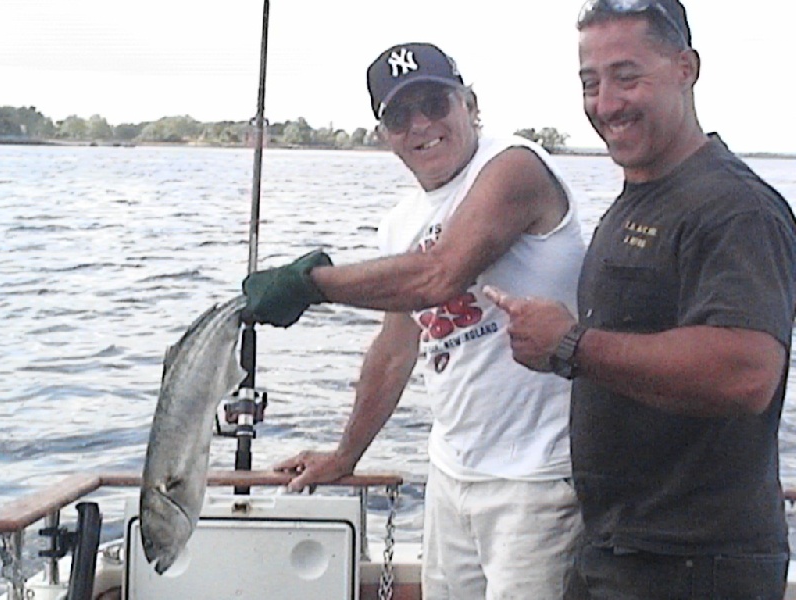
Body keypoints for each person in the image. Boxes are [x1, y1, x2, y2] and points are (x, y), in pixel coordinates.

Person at [242, 42, 587, 598]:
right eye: (400, 115)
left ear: (470, 104)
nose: (421, 124)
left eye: (435, 103)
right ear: (383, 135)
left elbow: (440, 276)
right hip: (452, 475)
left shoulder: (516, 165)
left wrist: (311, 283)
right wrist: (344, 456)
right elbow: (395, 349)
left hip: (539, 480)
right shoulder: (399, 223)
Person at [484, 2, 796, 598]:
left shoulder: (735, 209)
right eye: (590, 82)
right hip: (616, 550)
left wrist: (570, 343)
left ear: (686, 68)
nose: (606, 103)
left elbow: (747, 372)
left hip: (694, 565)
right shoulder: (639, 198)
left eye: (628, 77)